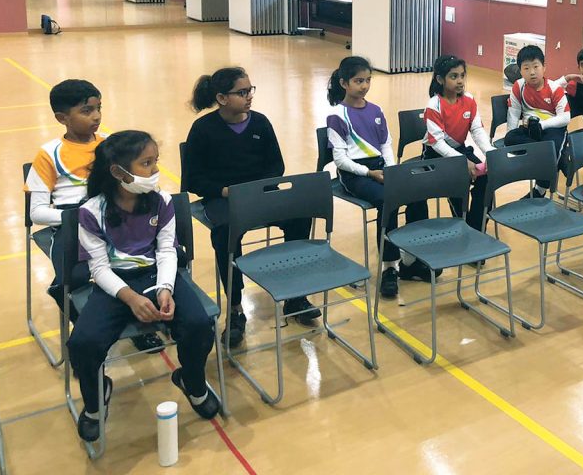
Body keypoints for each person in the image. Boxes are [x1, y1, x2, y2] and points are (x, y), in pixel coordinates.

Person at [68, 131, 220, 442]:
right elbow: (98, 268)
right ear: (118, 172)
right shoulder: (91, 211)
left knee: (198, 325)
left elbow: (166, 250)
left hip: (157, 275)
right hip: (115, 284)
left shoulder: (162, 201)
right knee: (83, 343)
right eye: (146, 163)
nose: (155, 171)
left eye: (155, 162)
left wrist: (165, 287)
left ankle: (192, 382)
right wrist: (130, 298)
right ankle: (96, 402)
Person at [183, 67, 319, 348]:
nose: (249, 97)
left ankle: (294, 295)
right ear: (221, 98)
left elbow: (276, 165)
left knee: (300, 216)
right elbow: (193, 179)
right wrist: (223, 191)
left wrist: (260, 188)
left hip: (260, 194)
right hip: (222, 198)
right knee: (224, 233)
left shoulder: (260, 123)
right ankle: (235, 309)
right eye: (241, 92)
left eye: (250, 90)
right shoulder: (203, 129)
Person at [23, 79, 162, 352]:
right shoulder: (48, 154)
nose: (97, 116)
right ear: (62, 118)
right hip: (71, 222)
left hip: (113, 215)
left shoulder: (112, 145)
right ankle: (82, 325)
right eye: (87, 110)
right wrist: (78, 215)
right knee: (74, 278)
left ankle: (137, 320)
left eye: (99, 107)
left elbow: (134, 183)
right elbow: (37, 212)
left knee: (137, 264)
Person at [325, 56, 427, 300]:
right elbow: (340, 161)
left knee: (417, 192)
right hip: (355, 174)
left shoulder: (376, 110)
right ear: (344, 83)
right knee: (387, 200)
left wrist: (391, 169)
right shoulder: (337, 116)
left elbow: (386, 144)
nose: (364, 86)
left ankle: (412, 260)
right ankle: (390, 268)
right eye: (358, 81)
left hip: (381, 167)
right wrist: (370, 173)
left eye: (368, 80)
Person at [422, 55, 494, 232]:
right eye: (454, 76)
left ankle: (475, 228)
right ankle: (461, 223)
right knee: (459, 180)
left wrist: (490, 152)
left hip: (459, 150)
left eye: (462, 75)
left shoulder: (469, 99)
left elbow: (476, 130)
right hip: (436, 155)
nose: (460, 81)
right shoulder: (433, 106)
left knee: (487, 177)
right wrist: (463, 162)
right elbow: (438, 144)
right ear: (440, 79)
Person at [503, 45, 571, 198]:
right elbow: (513, 112)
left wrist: (543, 124)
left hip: (553, 128)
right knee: (510, 138)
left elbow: (565, 117)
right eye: (526, 68)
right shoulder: (518, 86)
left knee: (551, 148)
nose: (532, 72)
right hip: (530, 130)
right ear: (520, 71)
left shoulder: (555, 89)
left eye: (536, 66)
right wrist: (511, 131)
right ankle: (559, 158)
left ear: (544, 67)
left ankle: (540, 188)